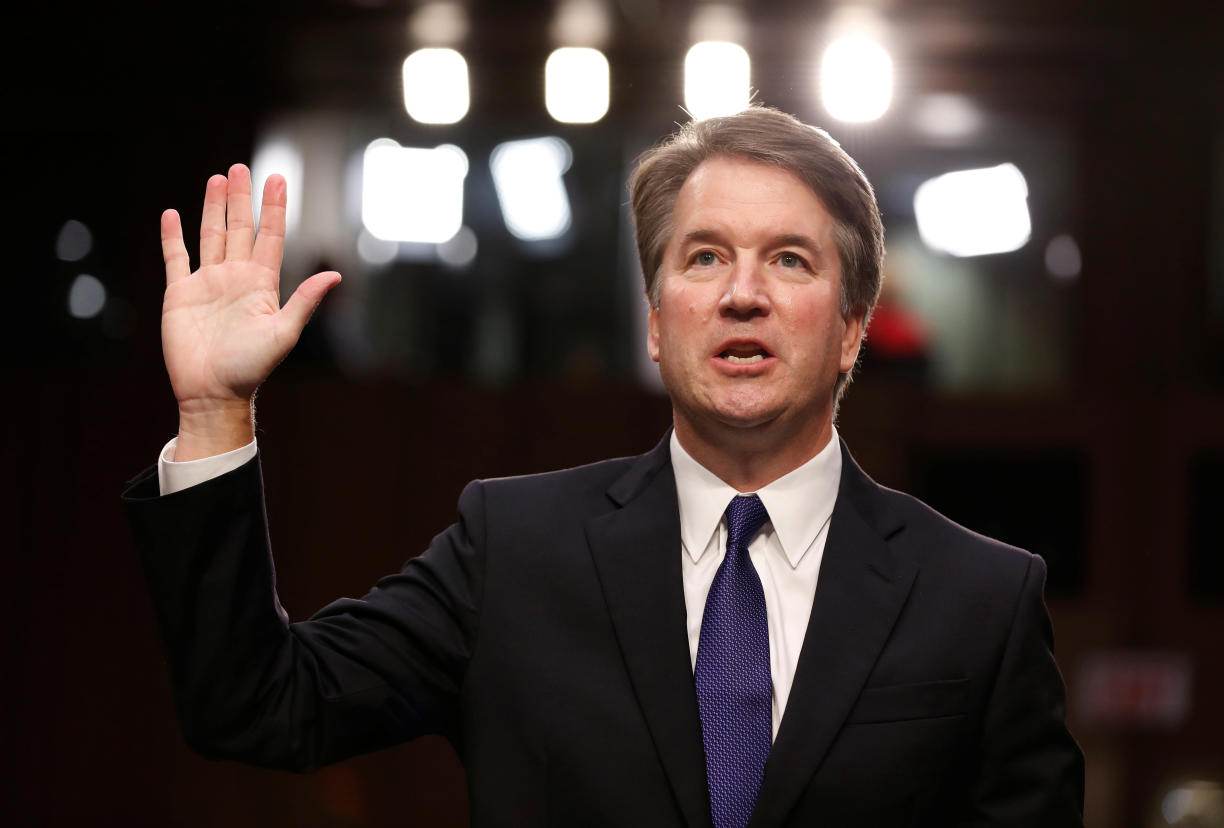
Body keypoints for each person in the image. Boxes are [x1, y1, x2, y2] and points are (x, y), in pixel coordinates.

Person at [124, 106, 1084, 826]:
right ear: (658, 324)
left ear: (852, 331)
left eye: (790, 261)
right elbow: (258, 706)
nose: (743, 293)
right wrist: (214, 414)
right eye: (704, 257)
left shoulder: (980, 597)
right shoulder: (514, 553)